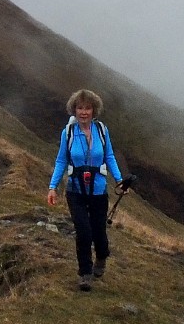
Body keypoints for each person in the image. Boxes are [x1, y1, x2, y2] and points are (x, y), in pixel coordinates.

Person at [47, 89, 128, 291]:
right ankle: (85, 273)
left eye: (88, 108)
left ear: (94, 110)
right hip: (75, 190)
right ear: (74, 110)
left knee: (99, 233)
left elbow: (109, 156)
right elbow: (61, 160)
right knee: (83, 232)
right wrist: (52, 187)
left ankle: (101, 256)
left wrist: (119, 180)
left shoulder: (101, 130)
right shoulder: (68, 133)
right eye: (80, 108)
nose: (84, 112)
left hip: (99, 191)